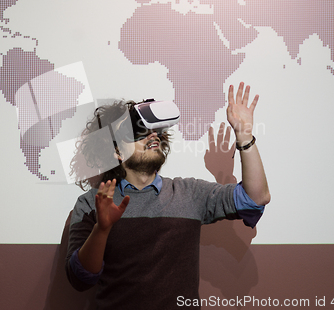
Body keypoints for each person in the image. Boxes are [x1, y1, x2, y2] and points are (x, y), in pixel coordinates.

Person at [65, 82, 270, 309]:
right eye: (138, 131)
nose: (152, 136)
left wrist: (244, 135)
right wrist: (101, 230)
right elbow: (80, 279)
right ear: (117, 152)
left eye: (155, 131)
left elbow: (255, 198)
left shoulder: (189, 193)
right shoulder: (92, 203)